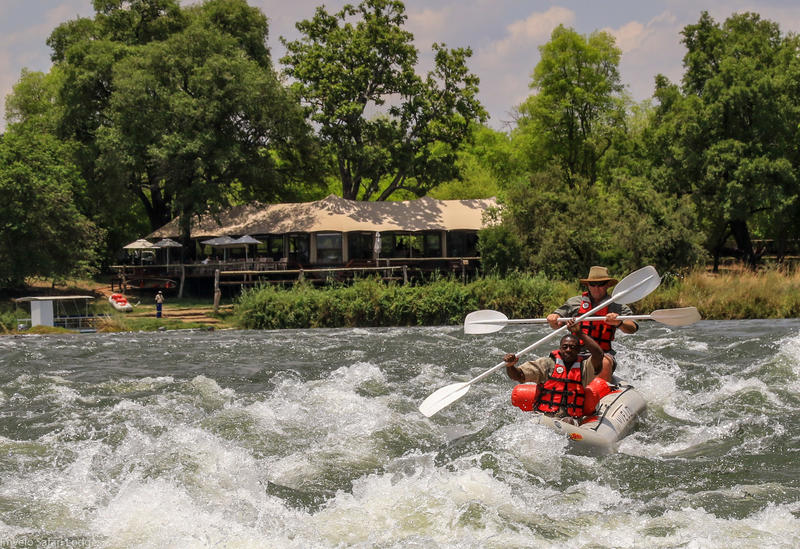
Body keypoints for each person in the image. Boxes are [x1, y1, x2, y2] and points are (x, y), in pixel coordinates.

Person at [546, 266, 638, 382]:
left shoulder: (616, 305)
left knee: (604, 362)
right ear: (588, 286)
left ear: (607, 285)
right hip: (574, 351)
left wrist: (619, 323)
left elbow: (632, 327)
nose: (596, 288)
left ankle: (601, 394)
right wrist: (553, 319)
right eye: (593, 284)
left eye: (601, 284)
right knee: (552, 362)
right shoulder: (575, 303)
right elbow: (556, 324)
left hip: (602, 353)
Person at [503, 319, 607, 422]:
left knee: (568, 421)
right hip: (543, 416)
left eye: (572, 347)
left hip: (570, 421)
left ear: (579, 350)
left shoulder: (584, 368)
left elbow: (598, 355)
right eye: (565, 347)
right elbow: (518, 376)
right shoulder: (546, 364)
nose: (568, 350)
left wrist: (580, 333)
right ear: (560, 349)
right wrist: (510, 366)